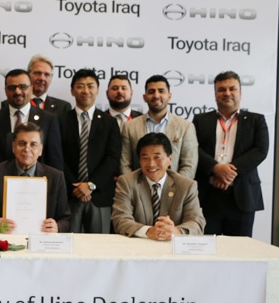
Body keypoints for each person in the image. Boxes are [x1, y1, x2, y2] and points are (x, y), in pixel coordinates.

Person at [193, 71, 269, 236]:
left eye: (232, 89)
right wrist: (215, 168)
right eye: (221, 89)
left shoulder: (256, 120)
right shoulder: (200, 120)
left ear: (240, 92)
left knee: (240, 248)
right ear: (215, 94)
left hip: (243, 195)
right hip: (208, 195)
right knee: (205, 247)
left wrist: (228, 171)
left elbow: (260, 150)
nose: (227, 93)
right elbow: (193, 148)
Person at [0, 122, 70, 233]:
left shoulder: (55, 177)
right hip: (5, 239)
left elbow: (66, 220)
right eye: (22, 143)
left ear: (40, 150)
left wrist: (57, 227)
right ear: (13, 147)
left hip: (42, 240)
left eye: (33, 144)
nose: (27, 149)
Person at [60, 69, 121, 233]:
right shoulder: (60, 120)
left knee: (99, 245)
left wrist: (91, 185)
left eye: (90, 86)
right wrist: (75, 186)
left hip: (99, 195)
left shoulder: (109, 123)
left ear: (97, 90)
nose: (85, 91)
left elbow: (113, 159)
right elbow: (58, 158)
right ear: (72, 91)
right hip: (69, 195)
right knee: (67, 243)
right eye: (80, 86)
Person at [112, 133, 206, 239]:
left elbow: (197, 222)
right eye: (145, 158)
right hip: (138, 245)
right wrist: (148, 231)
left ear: (170, 159)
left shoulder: (186, 186)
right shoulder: (127, 182)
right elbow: (120, 219)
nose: (151, 164)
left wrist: (175, 231)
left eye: (157, 157)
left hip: (172, 245)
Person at [0, 69, 64, 174]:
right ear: (5, 91)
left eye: (23, 87)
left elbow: (55, 161)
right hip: (0, 182)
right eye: (12, 87)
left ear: (31, 88)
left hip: (38, 182)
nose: (17, 92)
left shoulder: (48, 120)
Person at [120, 75, 198, 179]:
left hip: (174, 187)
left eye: (161, 91)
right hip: (137, 187)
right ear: (144, 97)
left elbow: (189, 165)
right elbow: (124, 163)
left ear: (169, 96)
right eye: (151, 91)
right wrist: (134, 185)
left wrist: (175, 186)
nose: (156, 95)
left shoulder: (185, 127)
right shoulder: (129, 127)